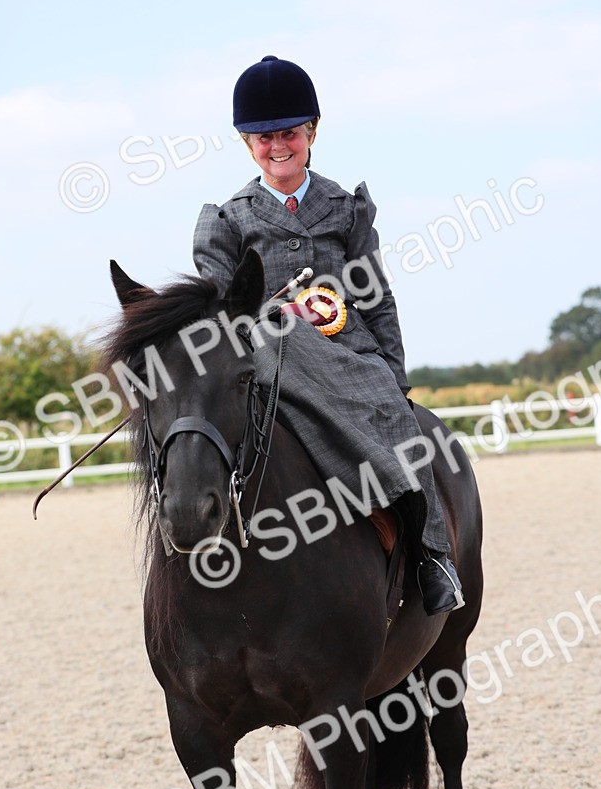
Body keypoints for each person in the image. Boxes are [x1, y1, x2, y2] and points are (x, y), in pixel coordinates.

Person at [193, 54, 463, 615]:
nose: (277, 146)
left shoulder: (345, 207)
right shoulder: (228, 220)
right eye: (262, 138)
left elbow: (376, 296)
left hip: (351, 351)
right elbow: (220, 312)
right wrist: (276, 313)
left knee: (398, 419)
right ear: (246, 143)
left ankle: (431, 556)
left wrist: (395, 373)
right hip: (269, 353)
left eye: (288, 133)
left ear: (312, 131)